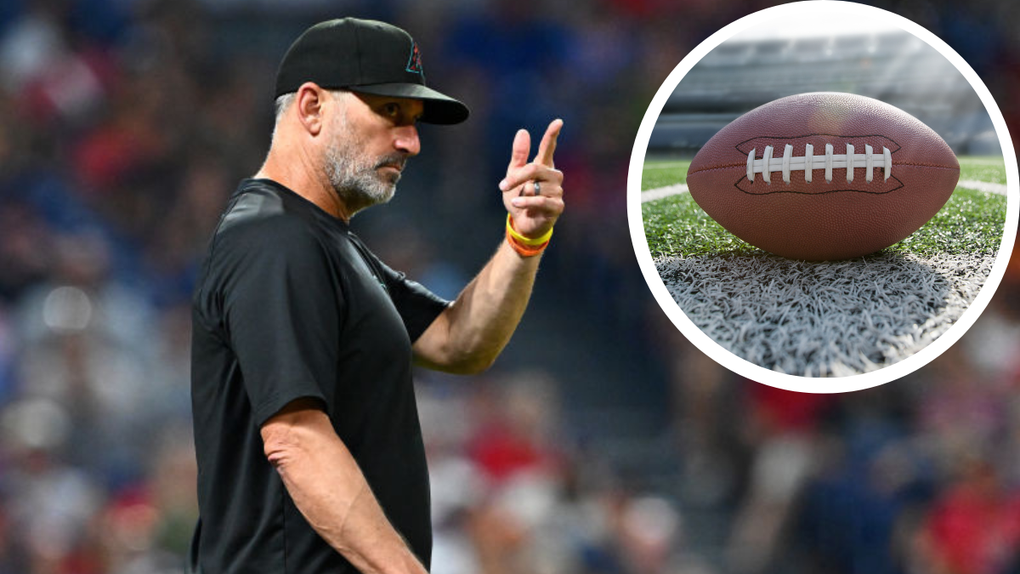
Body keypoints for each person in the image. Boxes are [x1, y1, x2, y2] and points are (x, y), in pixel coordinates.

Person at [187, 17, 564, 574]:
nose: (411, 141)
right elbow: (295, 439)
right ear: (311, 108)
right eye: (389, 111)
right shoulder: (273, 238)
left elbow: (460, 344)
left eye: (412, 121)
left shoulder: (327, 243)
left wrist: (523, 240)